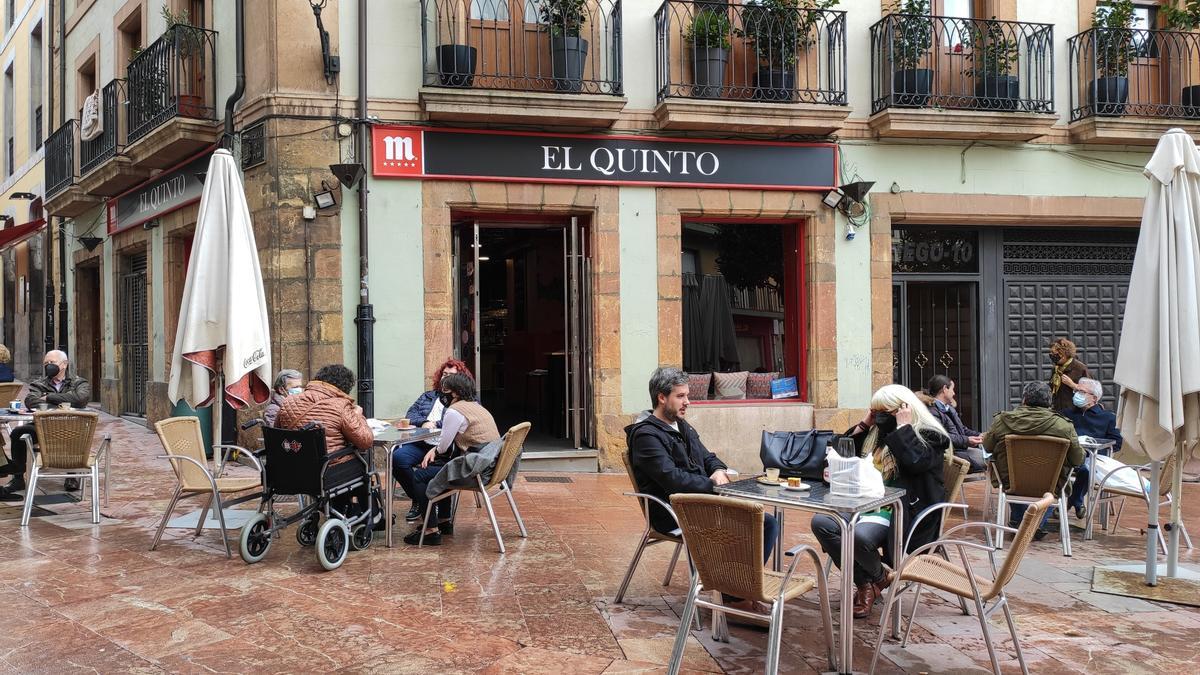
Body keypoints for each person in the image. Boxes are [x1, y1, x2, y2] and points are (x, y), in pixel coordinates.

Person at [626, 366, 776, 623]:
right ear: (662, 397)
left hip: (699, 501)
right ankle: (732, 596)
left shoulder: (681, 426)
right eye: (681, 396)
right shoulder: (646, 436)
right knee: (760, 523)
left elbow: (707, 456)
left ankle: (734, 587)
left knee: (762, 519)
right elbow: (671, 479)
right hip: (674, 511)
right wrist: (713, 486)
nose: (687, 402)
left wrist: (717, 470)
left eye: (687, 395)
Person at [810, 384, 950, 619]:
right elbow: (843, 454)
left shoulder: (929, 435)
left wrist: (904, 427)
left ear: (905, 409)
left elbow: (916, 462)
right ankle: (874, 579)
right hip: (863, 501)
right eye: (877, 411)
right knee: (822, 522)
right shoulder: (875, 433)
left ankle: (867, 585)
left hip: (901, 511)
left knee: (858, 535)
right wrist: (865, 423)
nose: (882, 417)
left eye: (887, 412)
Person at [275, 364, 378, 527]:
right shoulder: (341, 406)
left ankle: (344, 509)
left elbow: (279, 433)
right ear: (344, 386)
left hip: (291, 471)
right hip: (327, 472)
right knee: (363, 465)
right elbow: (365, 441)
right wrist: (358, 416)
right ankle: (371, 515)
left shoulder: (288, 402)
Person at [404, 373, 500, 546]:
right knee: (442, 467)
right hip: (491, 467)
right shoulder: (477, 407)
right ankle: (444, 521)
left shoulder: (454, 411)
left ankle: (430, 531)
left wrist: (434, 449)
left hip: (475, 471)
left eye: (444, 390)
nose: (442, 394)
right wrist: (437, 449)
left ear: (454, 393)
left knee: (421, 475)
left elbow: (443, 446)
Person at [983, 381, 1083, 539]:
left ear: (1024, 400)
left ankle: (1020, 521)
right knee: (1055, 482)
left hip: (1011, 482)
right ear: (1049, 402)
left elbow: (987, 447)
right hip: (1050, 484)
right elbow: (1077, 459)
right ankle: (1035, 524)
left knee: (1011, 471)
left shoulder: (1002, 421)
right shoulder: (1064, 426)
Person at [0, 350, 92, 500]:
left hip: (71, 426)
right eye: (46, 363)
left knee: (74, 437)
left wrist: (49, 397)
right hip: (42, 426)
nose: (49, 366)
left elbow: (80, 399)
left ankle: (72, 474)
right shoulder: (39, 383)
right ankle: (18, 478)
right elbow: (31, 400)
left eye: (52, 363)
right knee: (19, 432)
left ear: (64, 365)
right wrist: (64, 400)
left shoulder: (79, 382)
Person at [393, 358, 473, 522]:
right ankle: (419, 499)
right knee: (397, 458)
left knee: (432, 469)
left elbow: (460, 420)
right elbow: (410, 415)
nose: (446, 378)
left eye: (451, 375)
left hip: (448, 448)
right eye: (444, 374)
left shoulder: (466, 399)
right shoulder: (428, 396)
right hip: (422, 443)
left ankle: (432, 511)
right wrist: (423, 422)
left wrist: (436, 423)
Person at [1061, 377, 1123, 519]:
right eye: (1076, 391)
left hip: (1093, 459)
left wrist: (1095, 446)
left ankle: (1072, 501)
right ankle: (1075, 502)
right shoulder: (1067, 414)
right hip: (1068, 459)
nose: (1077, 394)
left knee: (1086, 469)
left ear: (1094, 398)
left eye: (1081, 392)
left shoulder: (1107, 417)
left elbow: (1116, 443)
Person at [923, 374, 986, 473]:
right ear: (945, 389)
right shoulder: (931, 410)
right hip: (951, 455)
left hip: (960, 450)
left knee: (990, 456)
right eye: (952, 389)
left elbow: (962, 429)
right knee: (990, 460)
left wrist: (978, 435)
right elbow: (941, 436)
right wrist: (966, 440)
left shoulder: (948, 408)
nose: (954, 393)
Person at [1047, 337, 1089, 413]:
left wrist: (1073, 385)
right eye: (1051, 353)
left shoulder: (1080, 368)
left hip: (1074, 413)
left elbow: (1091, 392)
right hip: (1057, 412)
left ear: (1064, 353)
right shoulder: (1056, 369)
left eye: (1054, 353)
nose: (1052, 356)